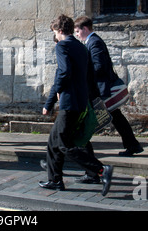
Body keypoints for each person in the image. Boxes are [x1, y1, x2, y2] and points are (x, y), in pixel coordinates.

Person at [39, 15, 113, 196]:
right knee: (53, 142)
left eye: (55, 32)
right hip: (81, 101)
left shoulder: (62, 46)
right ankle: (55, 180)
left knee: (64, 144)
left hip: (69, 102)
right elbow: (88, 76)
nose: (55, 36)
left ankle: (101, 169)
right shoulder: (81, 47)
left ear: (60, 31)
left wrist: (50, 102)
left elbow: (63, 73)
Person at [74, 16, 144, 157]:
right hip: (100, 88)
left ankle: (80, 146)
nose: (76, 35)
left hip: (102, 89)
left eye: (77, 31)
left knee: (104, 117)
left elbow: (99, 66)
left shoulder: (94, 42)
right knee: (116, 117)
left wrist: (84, 73)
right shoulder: (92, 42)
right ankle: (132, 145)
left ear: (85, 29)